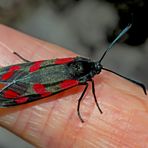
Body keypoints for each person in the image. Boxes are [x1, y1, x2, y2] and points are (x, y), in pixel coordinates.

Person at [0, 24, 148, 147]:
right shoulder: (84, 79)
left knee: (35, 70)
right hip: (44, 81)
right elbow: (87, 83)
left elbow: (51, 63)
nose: (97, 67)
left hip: (32, 73)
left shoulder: (78, 63)